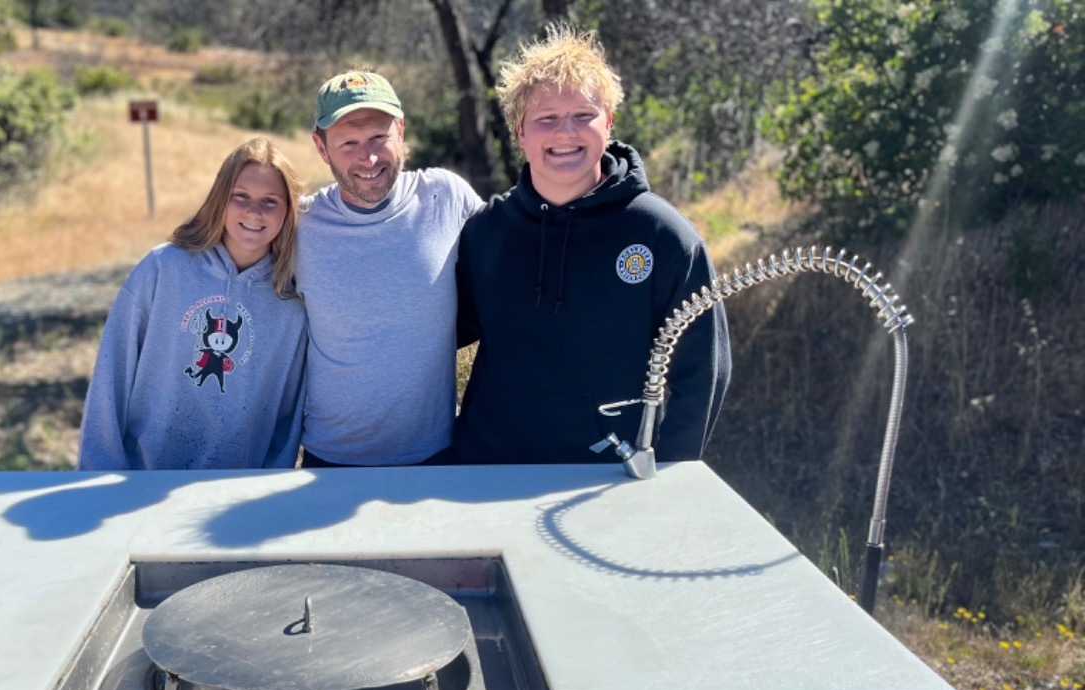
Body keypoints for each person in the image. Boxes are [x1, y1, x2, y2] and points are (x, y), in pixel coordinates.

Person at [452, 26, 731, 465]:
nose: (566, 133)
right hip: (488, 467)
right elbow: (439, 334)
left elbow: (702, 372)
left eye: (583, 115)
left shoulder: (663, 236)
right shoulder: (486, 231)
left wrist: (673, 475)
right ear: (519, 131)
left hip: (605, 478)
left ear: (610, 121)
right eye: (546, 119)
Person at [78, 137, 308, 470]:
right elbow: (112, 376)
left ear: (288, 210)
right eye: (240, 197)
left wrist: (270, 482)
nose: (254, 212)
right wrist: (97, 476)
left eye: (270, 201)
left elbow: (289, 411)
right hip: (144, 481)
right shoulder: (162, 269)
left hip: (236, 493)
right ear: (220, 200)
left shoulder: (291, 297)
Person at [294, 70, 483, 467]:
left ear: (400, 130)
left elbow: (515, 258)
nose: (369, 158)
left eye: (379, 138)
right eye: (349, 143)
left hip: (435, 456)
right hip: (331, 461)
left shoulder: (445, 197)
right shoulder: (299, 225)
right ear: (321, 147)